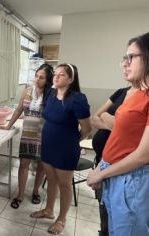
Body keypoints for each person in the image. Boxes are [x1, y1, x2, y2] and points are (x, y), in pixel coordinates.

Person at [87, 32, 149, 236]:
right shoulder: (135, 94)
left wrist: (101, 173)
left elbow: (143, 155)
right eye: (125, 58)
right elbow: (117, 135)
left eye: (131, 57)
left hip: (131, 180)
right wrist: (102, 166)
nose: (125, 63)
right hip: (113, 174)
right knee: (111, 230)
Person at [31, 63, 92, 235]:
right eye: (55, 74)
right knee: (51, 180)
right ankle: (49, 210)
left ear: (71, 79)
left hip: (66, 149)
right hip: (48, 145)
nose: (56, 77)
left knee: (64, 184)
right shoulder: (50, 93)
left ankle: (62, 219)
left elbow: (87, 129)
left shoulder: (78, 99)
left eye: (61, 75)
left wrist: (73, 141)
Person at [1, 64, 54, 209]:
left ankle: (35, 192)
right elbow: (19, 110)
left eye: (42, 77)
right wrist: (8, 125)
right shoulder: (27, 91)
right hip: (27, 135)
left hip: (44, 136)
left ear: (48, 80)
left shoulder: (51, 94)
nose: (37, 79)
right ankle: (20, 194)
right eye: (36, 76)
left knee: (41, 166)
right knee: (24, 164)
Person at [91, 85, 133, 236]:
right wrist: (113, 124)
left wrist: (107, 117)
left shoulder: (142, 97)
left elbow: (133, 133)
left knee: (121, 220)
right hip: (103, 162)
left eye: (131, 60)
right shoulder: (121, 92)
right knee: (104, 209)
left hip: (124, 168)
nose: (126, 64)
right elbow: (94, 119)